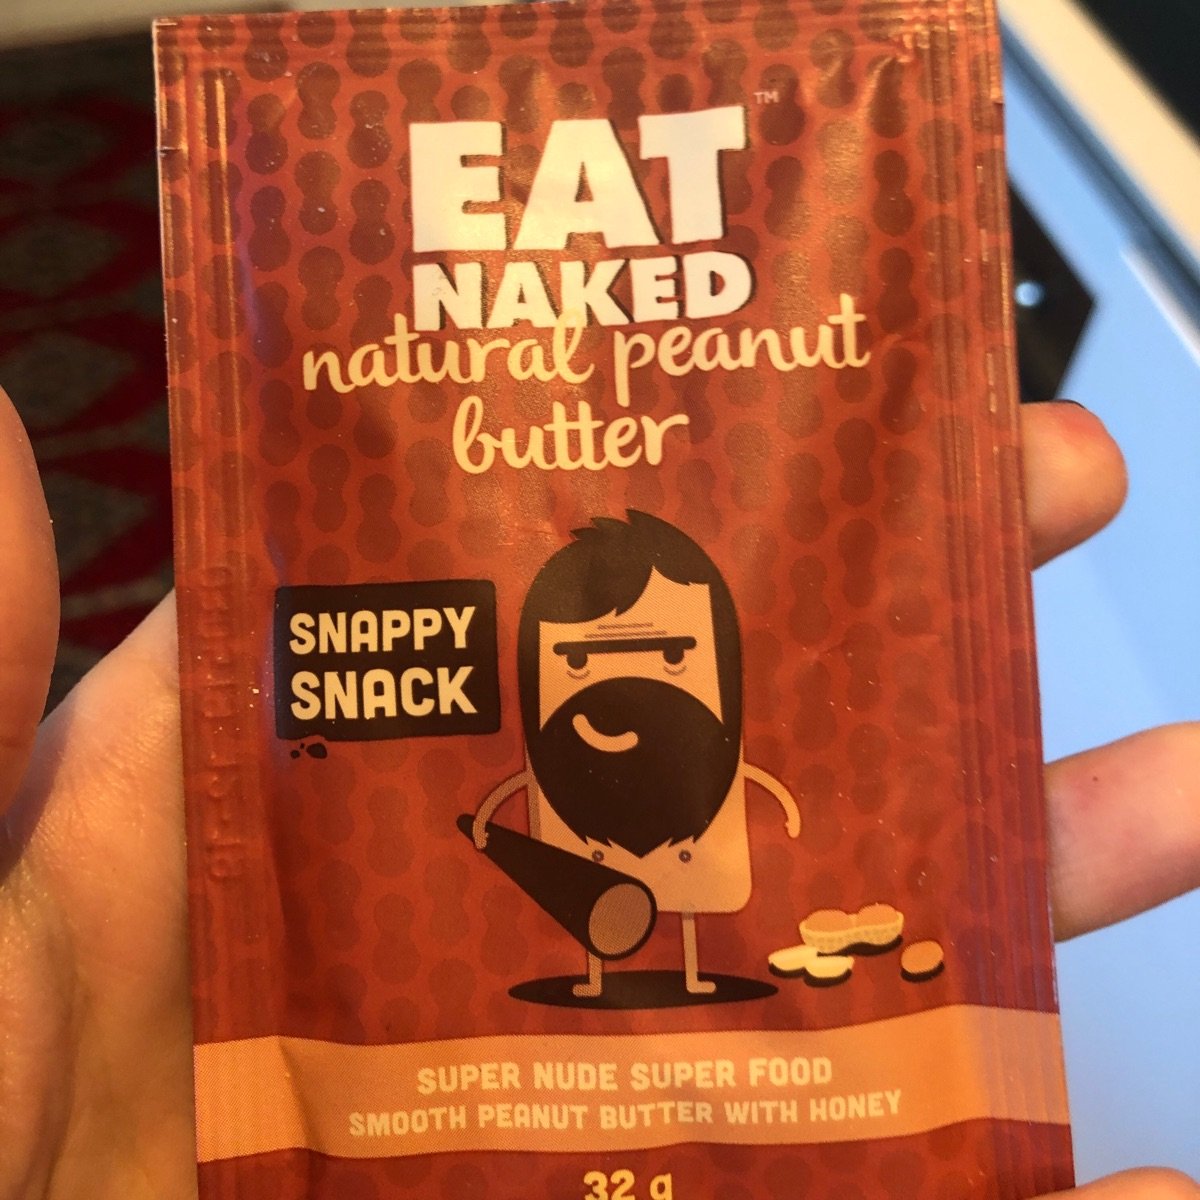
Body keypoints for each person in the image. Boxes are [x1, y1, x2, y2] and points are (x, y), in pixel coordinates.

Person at [0, 386, 1195, 1200]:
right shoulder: (544, 772)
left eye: (672, 653)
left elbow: (766, 793)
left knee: (692, 889)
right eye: (579, 658)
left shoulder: (716, 763)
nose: (624, 681)